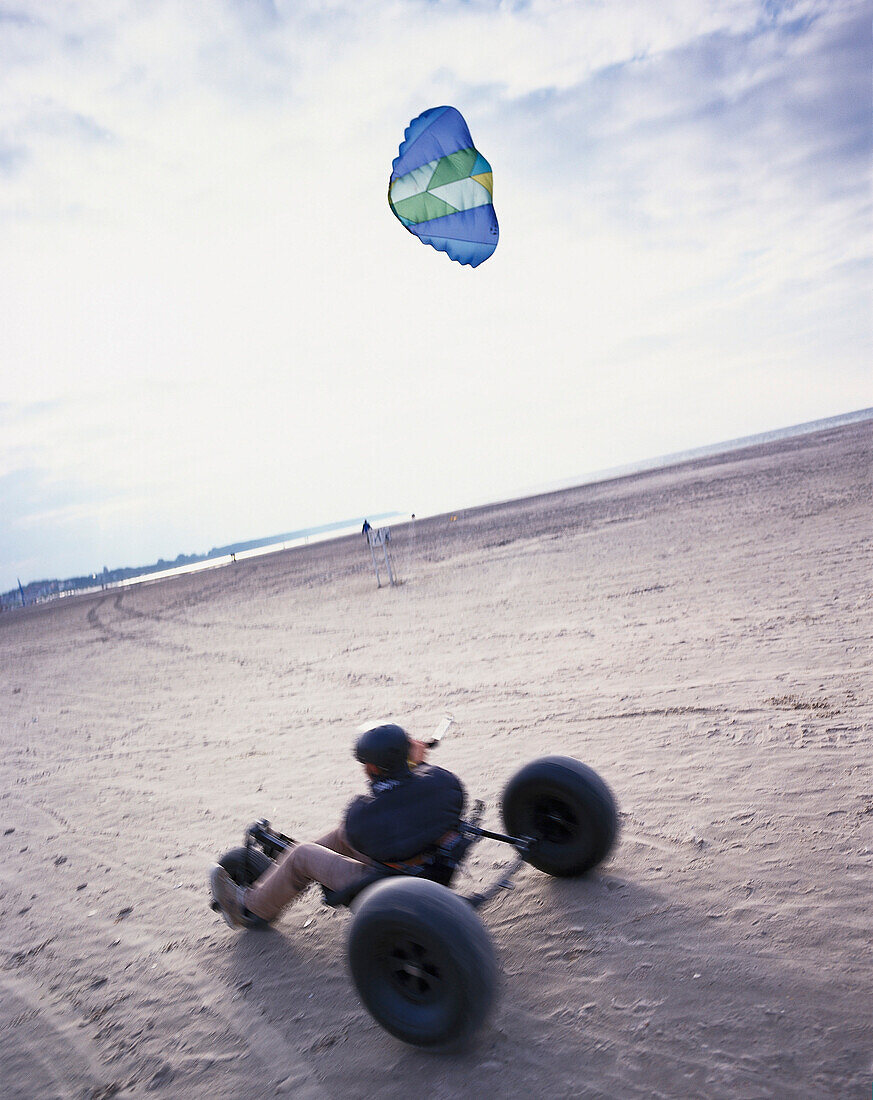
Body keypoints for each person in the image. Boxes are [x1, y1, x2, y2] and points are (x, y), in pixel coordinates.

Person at [210, 723, 465, 929]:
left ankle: (248, 906)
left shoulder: (364, 814)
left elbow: (382, 807)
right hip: (431, 867)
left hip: (390, 885)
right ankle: (282, 869)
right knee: (344, 834)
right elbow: (408, 790)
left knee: (303, 855)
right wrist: (417, 766)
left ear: (372, 767)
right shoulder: (445, 784)